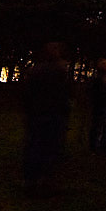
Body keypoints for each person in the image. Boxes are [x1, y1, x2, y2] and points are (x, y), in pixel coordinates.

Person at [22, 42, 71, 196]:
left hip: (37, 114)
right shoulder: (59, 71)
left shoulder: (35, 71)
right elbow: (64, 94)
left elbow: (27, 94)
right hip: (52, 115)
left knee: (35, 147)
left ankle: (31, 181)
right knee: (51, 148)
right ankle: (46, 181)